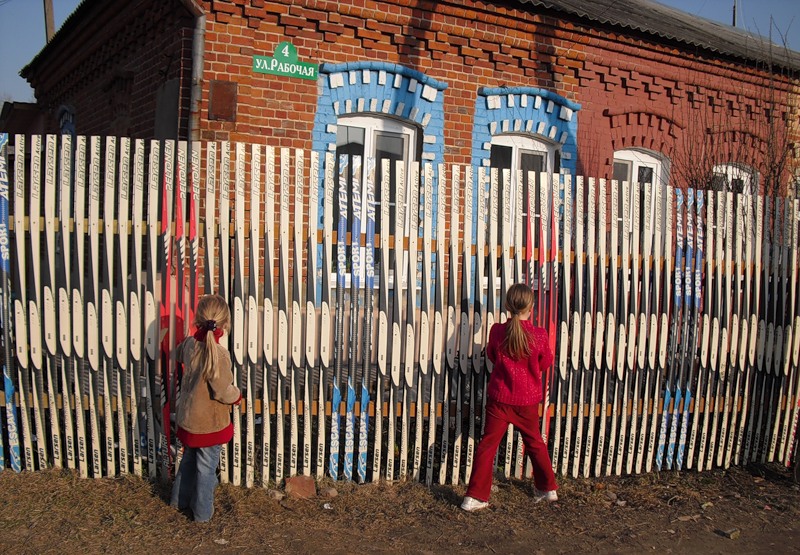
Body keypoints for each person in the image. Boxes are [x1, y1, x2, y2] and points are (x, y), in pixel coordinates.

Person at [461, 283, 558, 512]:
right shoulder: (539, 334)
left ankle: (474, 497)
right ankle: (548, 489)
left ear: (507, 305)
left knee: (488, 445)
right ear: (531, 307)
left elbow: (493, 357)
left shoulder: (497, 331)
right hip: (527, 401)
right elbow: (545, 362)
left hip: (500, 399)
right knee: (535, 443)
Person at [170, 294, 241, 522]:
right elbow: (223, 390)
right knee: (206, 469)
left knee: (189, 461)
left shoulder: (191, 345)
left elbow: (178, 352)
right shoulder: (219, 355)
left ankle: (178, 500)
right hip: (210, 425)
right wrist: (237, 396)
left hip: (190, 420)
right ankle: (202, 514)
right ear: (225, 324)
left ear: (198, 319)